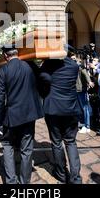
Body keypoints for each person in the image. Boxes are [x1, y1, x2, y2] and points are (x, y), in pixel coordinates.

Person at [0, 46, 44, 184]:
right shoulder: (29, 66)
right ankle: (24, 182)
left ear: (5, 55)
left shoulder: (3, 70)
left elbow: (0, 97)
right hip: (29, 113)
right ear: (17, 53)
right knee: (27, 149)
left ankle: (11, 181)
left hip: (11, 115)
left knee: (7, 145)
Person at [40, 52, 83, 184]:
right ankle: (76, 178)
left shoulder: (48, 65)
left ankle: (61, 174)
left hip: (53, 109)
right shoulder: (74, 66)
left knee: (57, 142)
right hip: (70, 108)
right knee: (71, 142)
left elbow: (42, 79)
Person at [74, 57, 93, 134]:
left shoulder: (80, 67)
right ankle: (82, 123)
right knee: (81, 108)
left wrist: (89, 82)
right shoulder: (75, 67)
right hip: (77, 90)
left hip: (81, 90)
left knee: (85, 108)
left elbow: (85, 74)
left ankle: (87, 126)